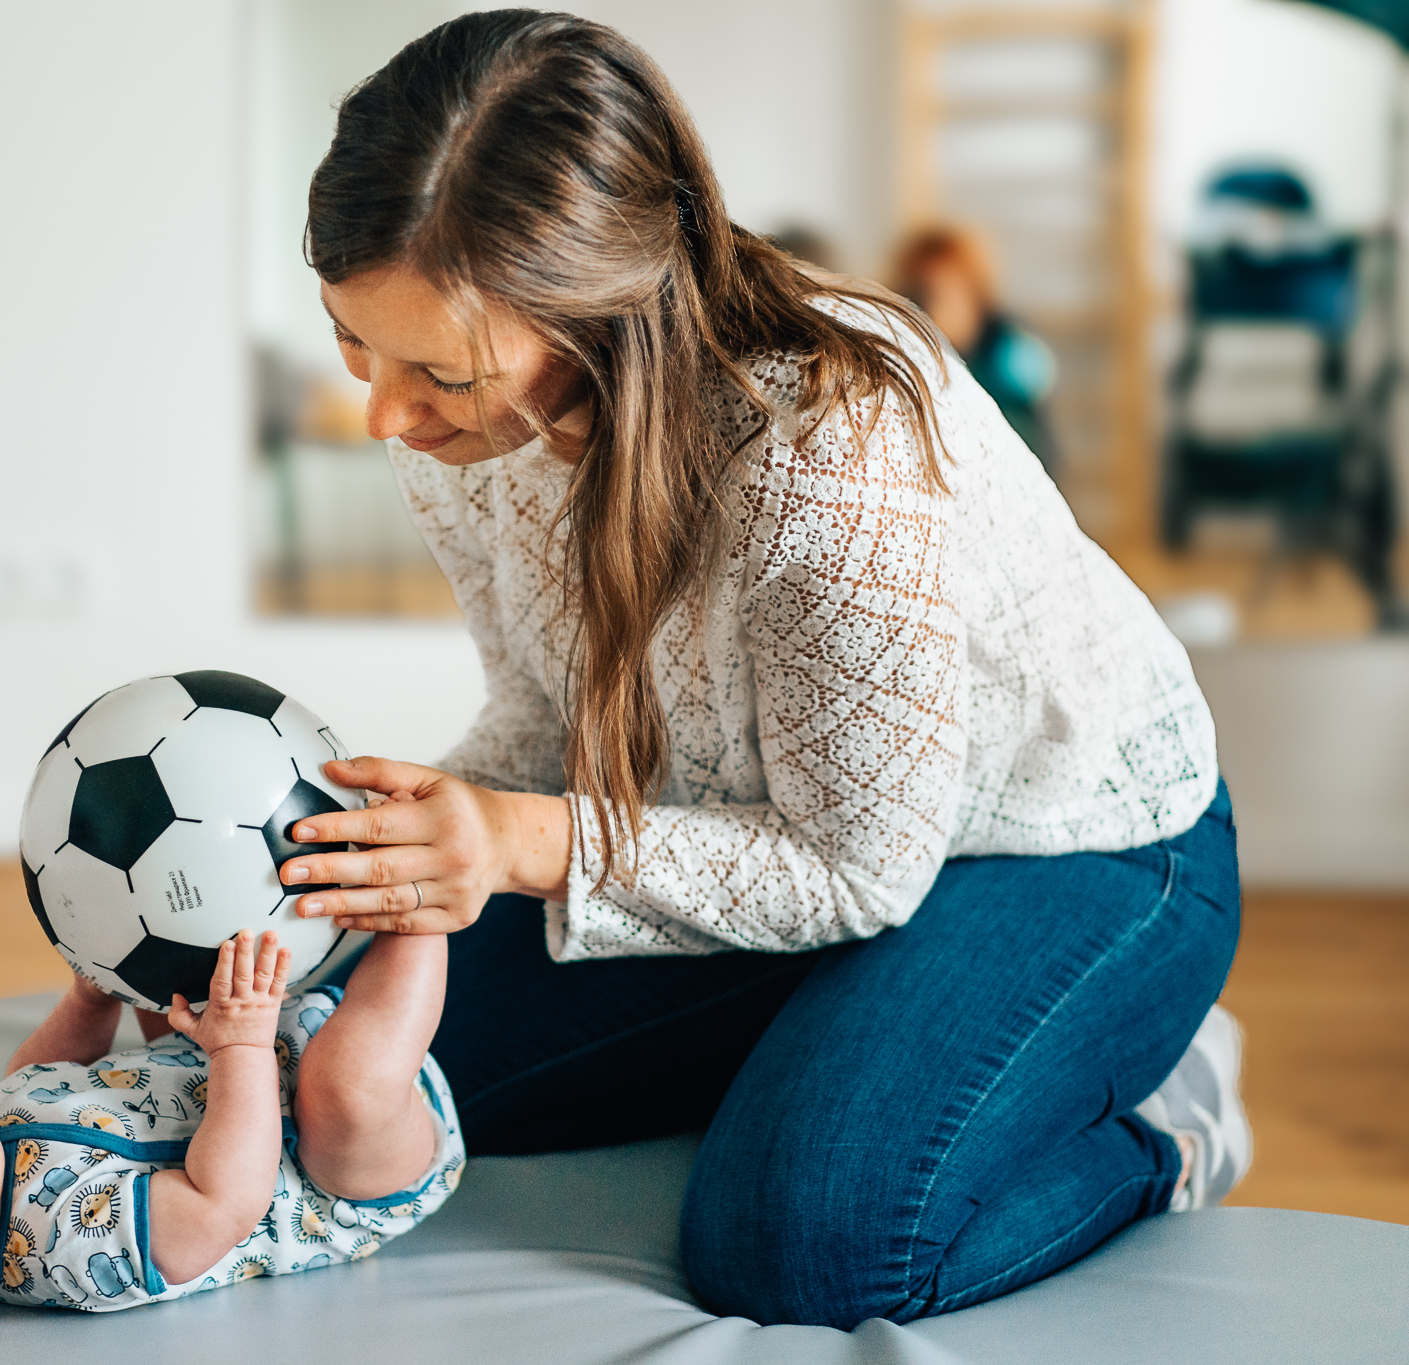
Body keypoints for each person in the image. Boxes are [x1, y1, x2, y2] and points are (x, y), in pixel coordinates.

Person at [267, 11, 1246, 1329]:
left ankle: (1167, 1125)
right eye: (353, 348)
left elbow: (859, 866)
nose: (388, 414)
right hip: (784, 838)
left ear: (596, 311)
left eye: (438, 371)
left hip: (1070, 849)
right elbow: (541, 712)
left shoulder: (825, 456)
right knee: (347, 1074)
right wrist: (357, 865)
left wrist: (517, 842)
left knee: (801, 1246)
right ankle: (832, 1034)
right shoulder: (466, 424)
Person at [0, 930, 461, 1351]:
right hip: (334, 1170)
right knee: (350, 1086)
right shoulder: (69, 1250)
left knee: (175, 969)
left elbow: (46, 1073)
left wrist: (89, 995)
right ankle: (426, 912)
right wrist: (243, 1047)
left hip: (239, 1060)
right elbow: (227, 1199)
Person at [891, 225, 1060, 474]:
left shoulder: (1012, 352)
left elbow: (1033, 446)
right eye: (918, 295)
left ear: (973, 290)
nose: (929, 308)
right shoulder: (901, 347)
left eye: (942, 293)